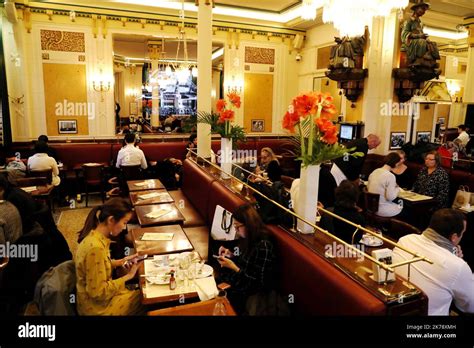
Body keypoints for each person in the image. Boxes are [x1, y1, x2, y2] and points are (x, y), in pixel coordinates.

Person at [393, 209, 474, 315]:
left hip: (397, 307)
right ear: (454, 237)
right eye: (462, 234)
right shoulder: (458, 267)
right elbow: (470, 306)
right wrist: (460, 264)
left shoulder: (405, 240)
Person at [75, 198, 145, 315]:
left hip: (94, 302)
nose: (124, 227)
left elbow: (96, 267)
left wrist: (120, 261)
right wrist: (128, 276)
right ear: (111, 220)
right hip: (97, 308)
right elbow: (98, 292)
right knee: (144, 299)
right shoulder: (95, 249)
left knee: (141, 294)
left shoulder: (95, 237)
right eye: (124, 222)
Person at [216, 204, 277, 314]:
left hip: (249, 296)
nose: (236, 230)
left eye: (237, 227)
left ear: (249, 225)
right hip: (239, 286)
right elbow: (246, 261)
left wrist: (234, 267)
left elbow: (258, 284)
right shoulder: (248, 238)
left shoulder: (264, 245)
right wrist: (231, 255)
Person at [400, 0, 440, 68]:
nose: (424, 12)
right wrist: (419, 36)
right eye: (422, 9)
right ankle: (418, 60)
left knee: (433, 44)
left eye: (425, 10)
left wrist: (426, 38)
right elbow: (404, 34)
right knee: (422, 42)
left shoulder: (420, 23)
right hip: (411, 42)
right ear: (416, 9)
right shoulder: (409, 21)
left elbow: (421, 33)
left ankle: (431, 61)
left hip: (418, 41)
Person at [367, 152, 403, 217]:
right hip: (383, 209)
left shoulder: (375, 171)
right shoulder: (390, 176)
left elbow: (368, 187)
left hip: (371, 207)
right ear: (396, 163)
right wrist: (397, 188)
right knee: (402, 206)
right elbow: (390, 197)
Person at [331, 180, 365, 244]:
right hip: (345, 249)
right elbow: (356, 240)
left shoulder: (329, 211)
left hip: (328, 244)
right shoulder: (359, 219)